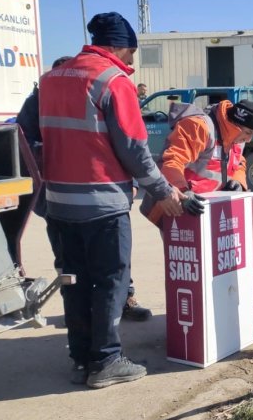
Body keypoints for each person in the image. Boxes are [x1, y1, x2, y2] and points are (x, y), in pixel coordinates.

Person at [39, 12, 185, 388]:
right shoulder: (111, 81)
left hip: (58, 204)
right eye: (131, 55)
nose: (131, 65)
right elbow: (135, 151)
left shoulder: (50, 79)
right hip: (101, 204)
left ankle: (81, 358)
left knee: (74, 282)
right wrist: (163, 192)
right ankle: (105, 362)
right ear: (120, 46)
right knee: (110, 283)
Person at [16, 56, 155, 322]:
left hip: (99, 198)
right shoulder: (38, 101)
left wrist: (134, 184)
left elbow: (123, 145)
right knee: (71, 263)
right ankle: (82, 317)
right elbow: (24, 146)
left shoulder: (95, 94)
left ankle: (122, 302)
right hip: (57, 198)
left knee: (114, 261)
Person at [142, 99, 253, 223]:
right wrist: (183, 191)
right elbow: (172, 161)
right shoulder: (199, 127)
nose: (249, 140)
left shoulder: (237, 138)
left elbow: (238, 162)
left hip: (206, 209)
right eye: (248, 133)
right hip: (179, 207)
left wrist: (238, 181)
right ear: (235, 125)